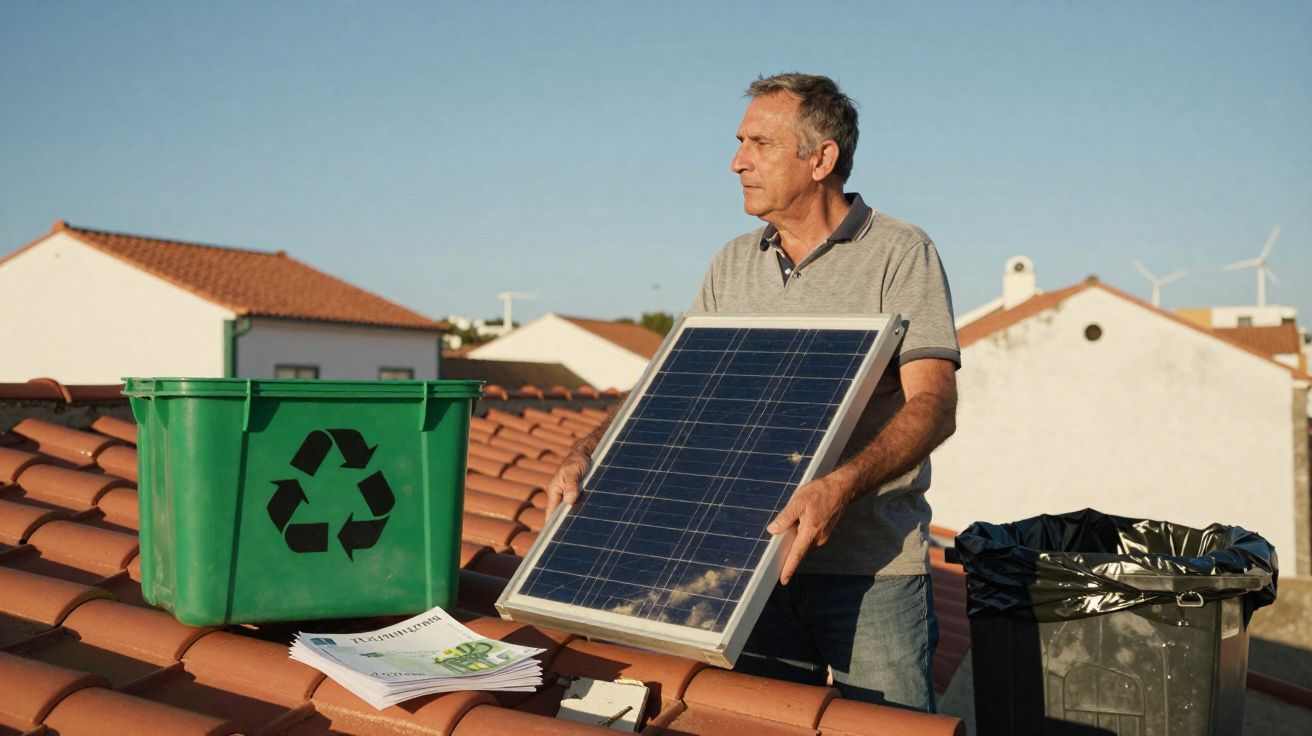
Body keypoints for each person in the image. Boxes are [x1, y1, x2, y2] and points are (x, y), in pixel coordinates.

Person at [545, 72, 959, 713]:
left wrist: (837, 487)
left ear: (821, 159)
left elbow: (933, 406)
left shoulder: (900, 253)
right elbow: (670, 390)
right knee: (762, 724)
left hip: (867, 568)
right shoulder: (734, 262)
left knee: (888, 727)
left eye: (759, 143)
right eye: (740, 142)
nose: (737, 162)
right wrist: (588, 450)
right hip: (743, 567)